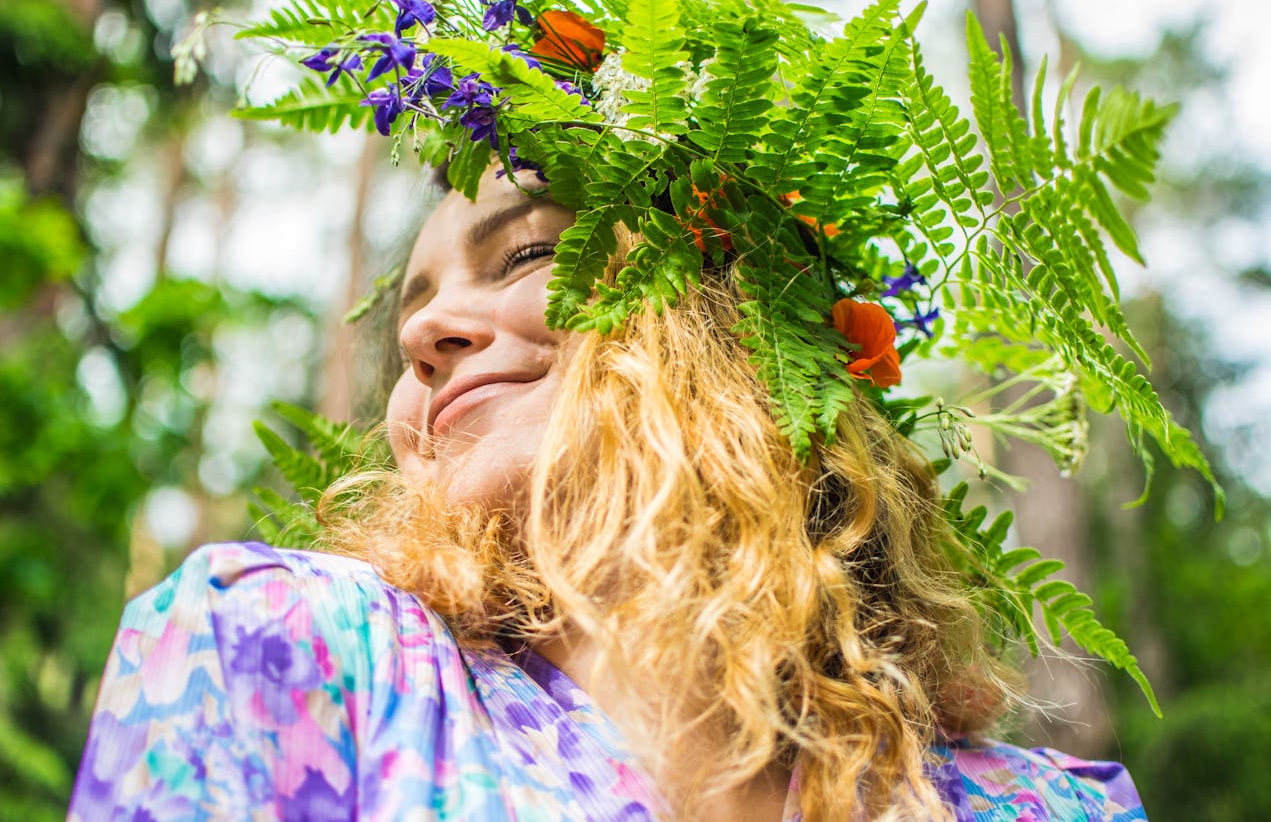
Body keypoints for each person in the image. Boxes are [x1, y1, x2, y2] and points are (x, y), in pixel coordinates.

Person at [69, 165, 1148, 821]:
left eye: (523, 253)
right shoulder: (286, 651)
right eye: (413, 309)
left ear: (735, 322)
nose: (421, 330)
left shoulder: (1039, 807)